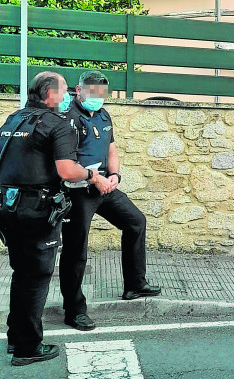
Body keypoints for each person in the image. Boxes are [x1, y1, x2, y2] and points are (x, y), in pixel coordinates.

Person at [0, 72, 111, 366]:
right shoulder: (56, 124)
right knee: (36, 277)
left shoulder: (14, 120)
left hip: (7, 207)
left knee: (22, 273)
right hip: (37, 211)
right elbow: (67, 170)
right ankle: (27, 348)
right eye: (63, 92)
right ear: (50, 94)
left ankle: (16, 339)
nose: (67, 99)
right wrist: (92, 174)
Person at [60, 71, 160, 331]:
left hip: (105, 186)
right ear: (78, 90)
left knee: (135, 222)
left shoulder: (104, 116)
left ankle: (135, 285)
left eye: (101, 93)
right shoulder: (67, 118)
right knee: (76, 249)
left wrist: (114, 175)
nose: (97, 98)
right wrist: (96, 179)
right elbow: (66, 164)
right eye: (91, 92)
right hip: (78, 190)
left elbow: (111, 150)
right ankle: (74, 310)